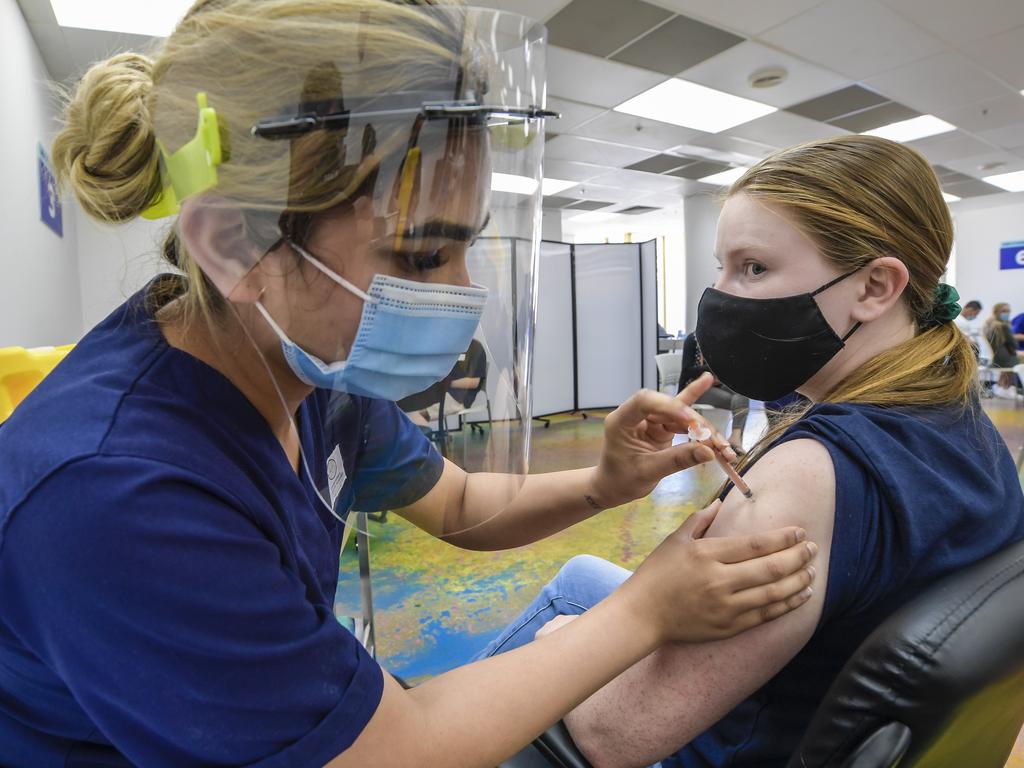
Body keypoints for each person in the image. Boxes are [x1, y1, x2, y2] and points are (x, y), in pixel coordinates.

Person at [0, 4, 818, 767]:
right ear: (234, 245)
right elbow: (392, 753)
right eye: (422, 256)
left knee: (573, 593)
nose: (459, 296)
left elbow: (458, 506)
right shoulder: (119, 491)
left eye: (467, 249)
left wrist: (604, 485)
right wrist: (646, 611)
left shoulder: (310, 372)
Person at [476, 135, 1024, 767]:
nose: (721, 296)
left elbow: (610, 734)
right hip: (813, 700)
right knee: (579, 579)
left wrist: (571, 640)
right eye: (722, 267)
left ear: (875, 286)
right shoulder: (963, 420)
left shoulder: (807, 473)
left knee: (559, 627)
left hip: (728, 749)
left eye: (754, 268)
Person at [677, 332, 749, 454]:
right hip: (695, 388)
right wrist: (715, 367)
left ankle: (735, 438)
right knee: (735, 401)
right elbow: (687, 371)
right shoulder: (692, 340)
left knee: (743, 394)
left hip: (716, 384)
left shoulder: (718, 340)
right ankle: (735, 442)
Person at [984, 302, 1022, 393]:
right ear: (997, 312)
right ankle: (1007, 389)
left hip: (996, 358)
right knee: (1018, 362)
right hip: (1005, 359)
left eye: (1008, 311)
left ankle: (1001, 389)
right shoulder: (1003, 325)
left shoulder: (989, 324)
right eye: (1004, 311)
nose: (1007, 313)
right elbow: (1014, 344)